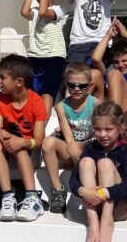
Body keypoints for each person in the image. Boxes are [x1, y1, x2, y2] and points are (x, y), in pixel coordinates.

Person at [68, 102, 127, 242]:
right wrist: (84, 192)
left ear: (121, 128)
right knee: (85, 162)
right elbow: (73, 180)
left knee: (105, 163)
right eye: (98, 129)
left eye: (108, 129)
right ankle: (93, 220)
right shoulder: (91, 148)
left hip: (120, 207)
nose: (102, 134)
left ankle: (106, 221)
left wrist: (102, 193)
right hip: (93, 203)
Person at [0, 54, 50, 222]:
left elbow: (38, 142)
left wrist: (22, 142)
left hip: (29, 150)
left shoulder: (36, 102)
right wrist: (0, 132)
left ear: (19, 82)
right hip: (8, 146)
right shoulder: (1, 99)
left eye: (3, 77)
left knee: (20, 147)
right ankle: (8, 196)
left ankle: (32, 197)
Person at [41, 62, 97, 214]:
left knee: (83, 148)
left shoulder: (95, 104)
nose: (77, 89)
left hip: (90, 151)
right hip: (71, 148)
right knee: (47, 142)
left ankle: (89, 189)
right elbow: (69, 139)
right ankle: (58, 191)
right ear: (65, 84)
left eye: (82, 86)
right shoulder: (61, 106)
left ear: (90, 85)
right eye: (72, 85)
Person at [20, 0, 68, 113]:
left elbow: (43, 12)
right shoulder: (33, 12)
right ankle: (35, 122)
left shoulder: (60, 10)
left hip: (54, 56)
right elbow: (24, 12)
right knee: (32, 92)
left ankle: (43, 124)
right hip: (35, 55)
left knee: (48, 92)